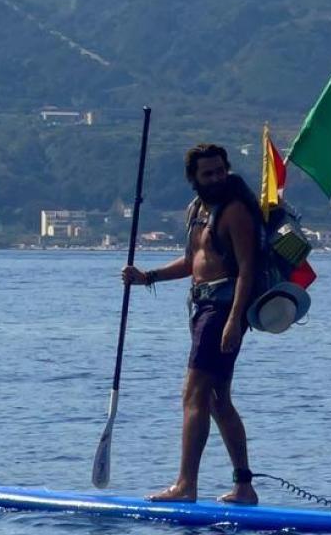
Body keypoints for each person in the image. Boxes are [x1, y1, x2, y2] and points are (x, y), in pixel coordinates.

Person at [121, 143, 260, 505]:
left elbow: (248, 270)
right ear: (193, 178)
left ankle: (186, 485)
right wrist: (147, 276)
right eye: (207, 173)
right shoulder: (197, 210)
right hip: (201, 307)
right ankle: (244, 487)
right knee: (216, 400)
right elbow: (192, 263)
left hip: (223, 309)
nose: (215, 178)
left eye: (219, 171)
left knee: (193, 394)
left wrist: (233, 321)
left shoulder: (235, 212)